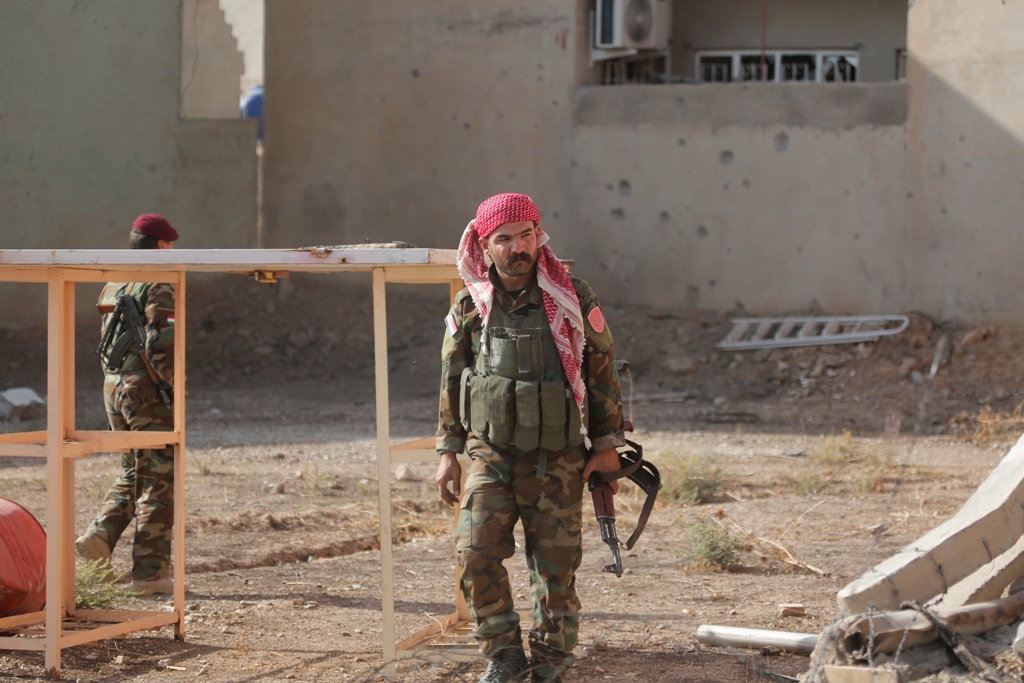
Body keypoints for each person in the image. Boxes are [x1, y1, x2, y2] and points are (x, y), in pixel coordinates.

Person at [435, 193, 626, 683]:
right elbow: (453, 378)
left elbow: (600, 370)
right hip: (491, 454)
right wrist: (448, 451)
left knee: (554, 571)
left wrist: (606, 447)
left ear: (539, 235)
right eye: (504, 239)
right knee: (474, 553)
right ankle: (504, 655)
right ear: (485, 245)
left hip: (556, 458)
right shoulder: (472, 302)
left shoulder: (571, 296)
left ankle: (548, 664)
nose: (518, 247)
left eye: (526, 235)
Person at [76, 214, 178, 595]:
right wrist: (174, 385)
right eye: (171, 246)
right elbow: (161, 344)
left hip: (114, 388)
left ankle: (100, 535)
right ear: (162, 246)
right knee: (158, 478)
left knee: (134, 470)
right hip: (146, 391)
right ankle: (150, 574)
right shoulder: (159, 281)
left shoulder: (115, 280)